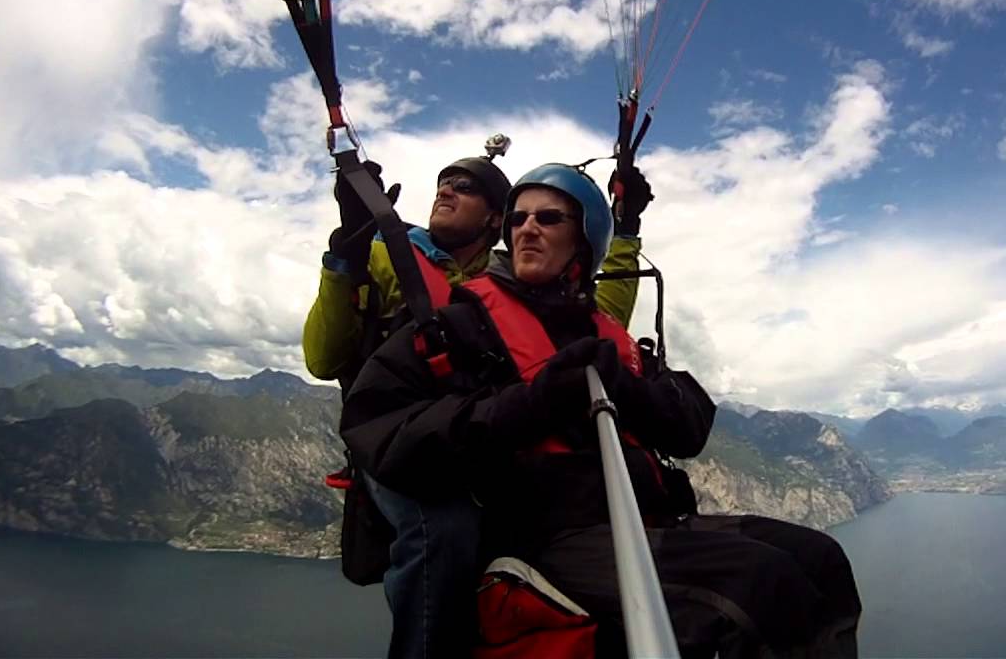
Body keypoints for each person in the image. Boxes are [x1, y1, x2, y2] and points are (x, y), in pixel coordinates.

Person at [343, 163, 863, 658]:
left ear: (584, 239)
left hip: (638, 519)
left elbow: (690, 427)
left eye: (548, 218)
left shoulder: (606, 336)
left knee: (822, 560)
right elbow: (377, 424)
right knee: (759, 583)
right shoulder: (461, 326)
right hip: (547, 533)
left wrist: (625, 387)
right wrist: (530, 403)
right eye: (518, 218)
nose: (527, 229)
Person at [303, 149, 652, 659]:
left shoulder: (510, 282)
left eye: (464, 187)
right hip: (399, 438)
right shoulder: (387, 256)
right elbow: (322, 357)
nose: (444, 191)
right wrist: (346, 257)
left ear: (494, 220)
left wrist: (625, 231)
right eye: (443, 182)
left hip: (478, 436)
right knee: (442, 528)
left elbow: (596, 322)